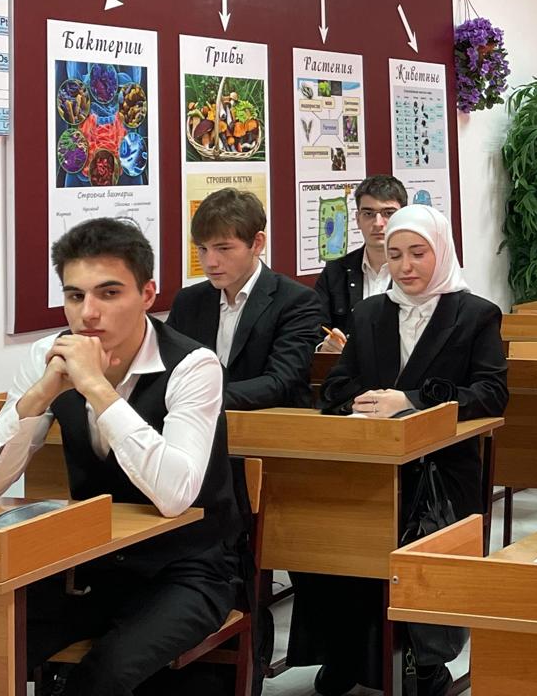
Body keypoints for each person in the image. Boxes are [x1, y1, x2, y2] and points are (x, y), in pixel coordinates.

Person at [0, 218, 240, 694]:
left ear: (147, 294)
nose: (88, 313)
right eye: (75, 296)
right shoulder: (47, 356)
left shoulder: (193, 365)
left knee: (105, 673)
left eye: (109, 293)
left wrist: (97, 389)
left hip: (187, 569)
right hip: (89, 564)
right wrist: (39, 395)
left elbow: (175, 495)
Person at [289, 205, 508, 696]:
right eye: (395, 255)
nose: (406, 266)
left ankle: (424, 660)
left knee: (411, 542)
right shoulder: (370, 312)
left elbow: (491, 394)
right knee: (319, 527)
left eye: (418, 253)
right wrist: (360, 401)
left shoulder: (475, 314)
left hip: (439, 470)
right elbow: (336, 386)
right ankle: (345, 653)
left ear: (441, 251)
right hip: (368, 463)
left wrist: (410, 401)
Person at [167, 188, 323, 410]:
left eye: (223, 248)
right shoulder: (188, 301)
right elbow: (168, 368)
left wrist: (204, 398)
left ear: (257, 243)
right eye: (202, 248)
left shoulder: (296, 301)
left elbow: (280, 382)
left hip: (269, 424)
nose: (210, 262)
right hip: (196, 423)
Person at [314, 174, 409, 352]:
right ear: (358, 219)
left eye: (388, 213)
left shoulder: (417, 271)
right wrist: (323, 347)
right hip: (346, 367)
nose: (378, 223)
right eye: (368, 214)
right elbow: (314, 330)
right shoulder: (335, 271)